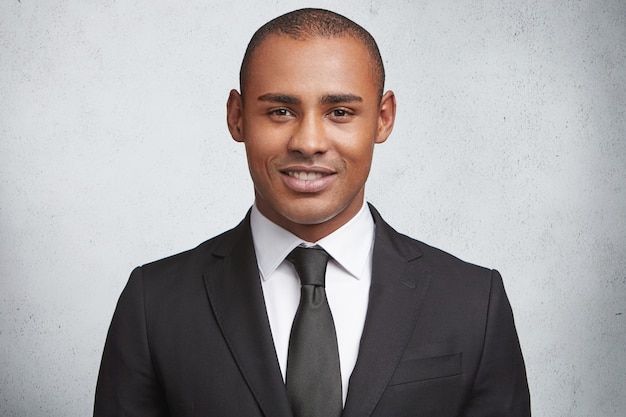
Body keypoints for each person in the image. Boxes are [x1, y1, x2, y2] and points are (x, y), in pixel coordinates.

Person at [94, 8, 530, 417]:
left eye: (339, 112)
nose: (308, 141)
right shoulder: (154, 304)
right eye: (280, 111)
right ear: (237, 117)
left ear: (382, 118)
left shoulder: (475, 302)